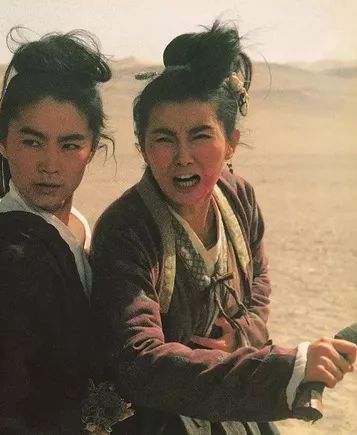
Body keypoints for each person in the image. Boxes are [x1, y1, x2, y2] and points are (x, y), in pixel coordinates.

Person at [90, 21, 357, 434]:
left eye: (200, 136)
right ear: (142, 146)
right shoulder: (126, 230)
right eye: (164, 139)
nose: (183, 157)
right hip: (159, 419)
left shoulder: (239, 198)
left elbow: (258, 284)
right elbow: (139, 359)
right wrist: (285, 370)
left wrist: (242, 335)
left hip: (239, 406)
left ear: (230, 142)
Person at [0, 29, 113, 433]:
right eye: (32, 142)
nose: (49, 165)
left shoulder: (77, 230)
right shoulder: (11, 254)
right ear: (3, 142)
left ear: (93, 148)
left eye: (70, 145)